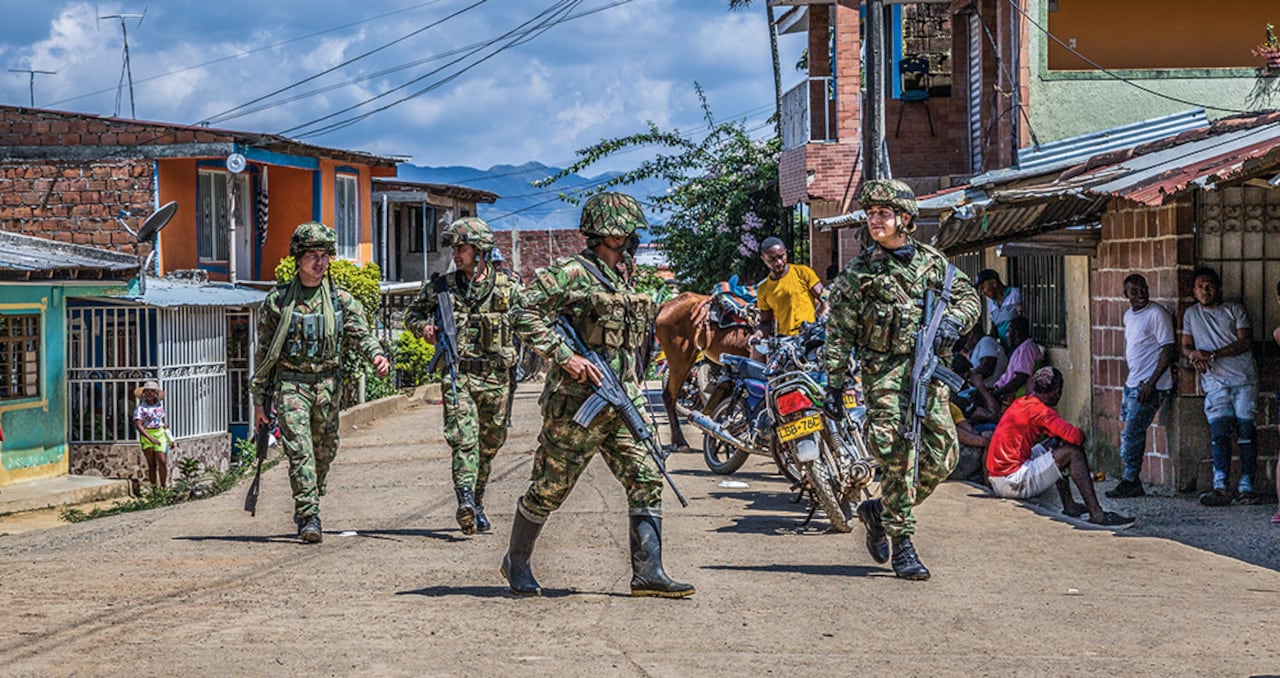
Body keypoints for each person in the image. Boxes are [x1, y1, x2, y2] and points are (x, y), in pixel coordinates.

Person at [501, 192, 694, 598]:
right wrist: (565, 356)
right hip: (577, 404)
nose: (633, 237)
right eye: (627, 230)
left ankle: (648, 572)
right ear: (608, 232)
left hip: (622, 399)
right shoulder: (572, 273)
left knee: (646, 475)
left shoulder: (625, 278)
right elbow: (522, 312)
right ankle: (516, 561)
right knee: (549, 487)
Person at [824, 179, 981, 580]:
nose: (875, 220)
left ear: (905, 219)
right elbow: (840, 332)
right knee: (897, 454)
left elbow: (969, 299)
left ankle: (879, 511)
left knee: (944, 455)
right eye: (871, 214)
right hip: (885, 375)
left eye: (883, 213)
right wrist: (835, 382)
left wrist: (952, 323)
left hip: (929, 373)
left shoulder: (933, 264)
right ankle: (903, 544)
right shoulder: (859, 273)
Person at [250, 221, 390, 544]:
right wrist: (259, 401)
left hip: (327, 385)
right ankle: (309, 514)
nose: (319, 261)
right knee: (300, 451)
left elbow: (361, 333)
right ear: (298, 258)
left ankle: (310, 495)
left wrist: (377, 356)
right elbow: (264, 353)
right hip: (291, 385)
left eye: (325, 255)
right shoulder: (279, 301)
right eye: (312, 254)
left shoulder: (339, 299)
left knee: (324, 453)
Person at [404, 217, 532, 535]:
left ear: (481, 250)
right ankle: (463, 501)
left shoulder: (508, 288)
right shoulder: (441, 287)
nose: (456, 254)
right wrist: (425, 329)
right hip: (458, 375)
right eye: (454, 248)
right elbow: (412, 314)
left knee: (490, 444)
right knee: (464, 441)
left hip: (497, 379)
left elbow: (532, 321)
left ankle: (476, 500)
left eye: (462, 247)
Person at [987, 367, 1133, 527]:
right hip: (1012, 481)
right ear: (1056, 392)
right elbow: (1076, 437)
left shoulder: (1022, 402)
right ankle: (1096, 513)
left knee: (1058, 443)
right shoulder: (1041, 411)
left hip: (999, 477)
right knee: (1073, 452)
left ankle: (1069, 505)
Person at [1180, 267, 1260, 507]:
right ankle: (1220, 486)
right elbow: (1185, 345)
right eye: (1201, 286)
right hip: (1214, 384)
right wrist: (1193, 354)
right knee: (1219, 435)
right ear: (1194, 291)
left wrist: (1212, 354)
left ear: (1219, 288)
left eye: (1210, 286)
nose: (1206, 290)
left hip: (1243, 380)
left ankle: (1246, 487)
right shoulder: (1191, 315)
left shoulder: (1234, 309)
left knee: (1246, 433)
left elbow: (1244, 342)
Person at [1107, 274, 1177, 499]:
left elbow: (1168, 349)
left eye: (1143, 289)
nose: (1140, 295)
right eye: (1134, 292)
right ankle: (1130, 478)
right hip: (1133, 383)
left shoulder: (1157, 314)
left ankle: (1130, 480)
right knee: (1128, 432)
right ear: (1125, 295)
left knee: (1132, 432)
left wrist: (1151, 383)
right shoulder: (1129, 315)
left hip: (1149, 386)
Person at [752, 237, 826, 340]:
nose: (779, 262)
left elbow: (824, 297)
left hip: (811, 335)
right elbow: (765, 322)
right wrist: (757, 335)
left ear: (785, 253)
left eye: (781, 256)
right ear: (763, 259)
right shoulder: (763, 289)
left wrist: (824, 315)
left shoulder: (803, 272)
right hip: (786, 341)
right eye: (772, 259)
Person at [990, 317, 1042, 404]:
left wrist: (999, 392)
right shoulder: (1022, 348)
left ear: (1016, 333)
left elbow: (1021, 378)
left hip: (1018, 396)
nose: (1007, 335)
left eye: (1008, 331)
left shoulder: (1026, 349)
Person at [133, 380, 174, 488]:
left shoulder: (159, 405)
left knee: (162, 461)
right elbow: (138, 425)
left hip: (159, 433)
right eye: (147, 391)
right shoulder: (141, 408)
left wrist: (170, 438)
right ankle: (154, 487)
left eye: (152, 391)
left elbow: (162, 421)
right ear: (144, 394)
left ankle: (164, 486)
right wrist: (150, 438)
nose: (150, 393)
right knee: (152, 464)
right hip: (147, 434)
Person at [975, 269, 1023, 349]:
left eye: (983, 288)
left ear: (994, 283)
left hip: (1019, 347)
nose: (982, 292)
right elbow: (994, 328)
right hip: (1005, 348)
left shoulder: (1015, 294)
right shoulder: (991, 303)